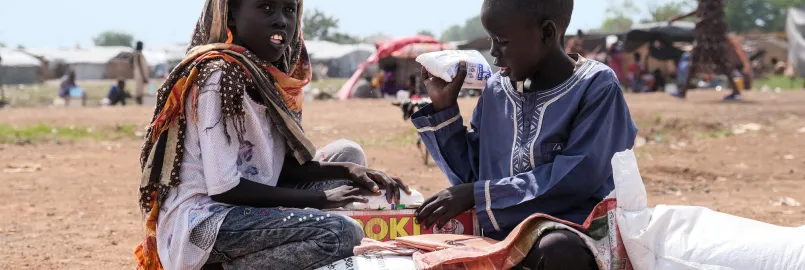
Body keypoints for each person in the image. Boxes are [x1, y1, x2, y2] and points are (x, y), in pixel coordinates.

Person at [134, 1, 409, 270]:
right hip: (208, 220)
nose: (281, 20)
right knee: (342, 233)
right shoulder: (219, 77)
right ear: (231, 16)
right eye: (266, 8)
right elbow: (226, 189)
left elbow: (278, 168)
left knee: (349, 153)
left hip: (247, 202)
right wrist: (321, 200)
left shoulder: (267, 76)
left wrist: (351, 170)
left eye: (289, 9)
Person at [411, 0, 637, 269]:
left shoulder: (596, 86)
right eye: (491, 40)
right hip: (501, 233)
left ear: (547, 33)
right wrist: (444, 108)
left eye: (503, 41)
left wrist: (480, 195)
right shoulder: (496, 90)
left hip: (575, 230)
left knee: (558, 250)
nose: (494, 54)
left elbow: (579, 176)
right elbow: (472, 176)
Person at [669, 0, 742, 100]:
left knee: (722, 64)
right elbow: (699, 10)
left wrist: (703, 20)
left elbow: (719, 10)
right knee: (694, 62)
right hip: (703, 37)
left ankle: (735, 91)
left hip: (713, 36)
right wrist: (678, 18)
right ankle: (683, 91)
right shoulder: (703, 3)